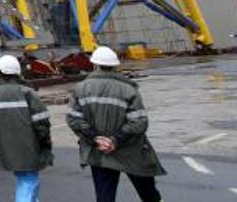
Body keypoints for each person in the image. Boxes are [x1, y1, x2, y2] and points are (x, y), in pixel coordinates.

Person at [66, 46, 165, 202]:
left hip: (99, 152)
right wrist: (115, 140)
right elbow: (139, 122)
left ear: (95, 65)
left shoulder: (81, 89)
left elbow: (74, 119)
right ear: (115, 66)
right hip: (131, 151)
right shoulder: (128, 89)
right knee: (149, 194)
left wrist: (96, 139)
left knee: (105, 197)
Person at [0, 55, 53, 202]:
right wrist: (45, 144)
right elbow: (42, 125)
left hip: (7, 148)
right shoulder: (28, 93)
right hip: (30, 147)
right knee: (28, 181)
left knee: (27, 180)